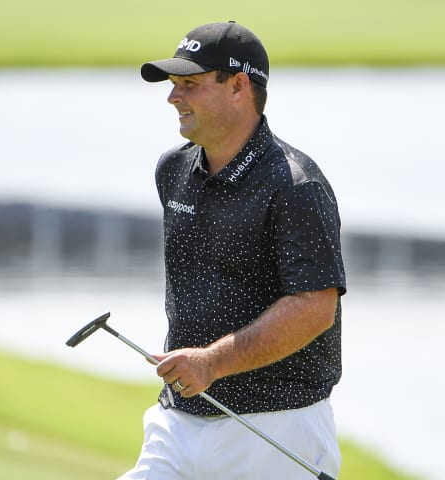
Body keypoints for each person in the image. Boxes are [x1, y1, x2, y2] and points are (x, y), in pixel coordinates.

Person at [122, 21, 347, 479]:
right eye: (173, 85)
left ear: (239, 86)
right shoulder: (174, 169)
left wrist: (212, 361)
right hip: (180, 419)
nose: (173, 98)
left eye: (190, 84)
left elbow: (315, 307)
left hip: (278, 429)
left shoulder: (295, 185)